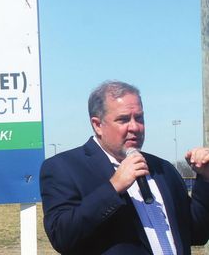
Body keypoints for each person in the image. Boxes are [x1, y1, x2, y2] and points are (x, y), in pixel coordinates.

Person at [39, 80, 209, 254]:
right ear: (98, 125)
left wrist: (205, 178)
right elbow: (62, 236)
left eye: (139, 118)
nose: (135, 127)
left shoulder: (163, 169)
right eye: (123, 119)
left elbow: (198, 233)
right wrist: (114, 187)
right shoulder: (64, 168)